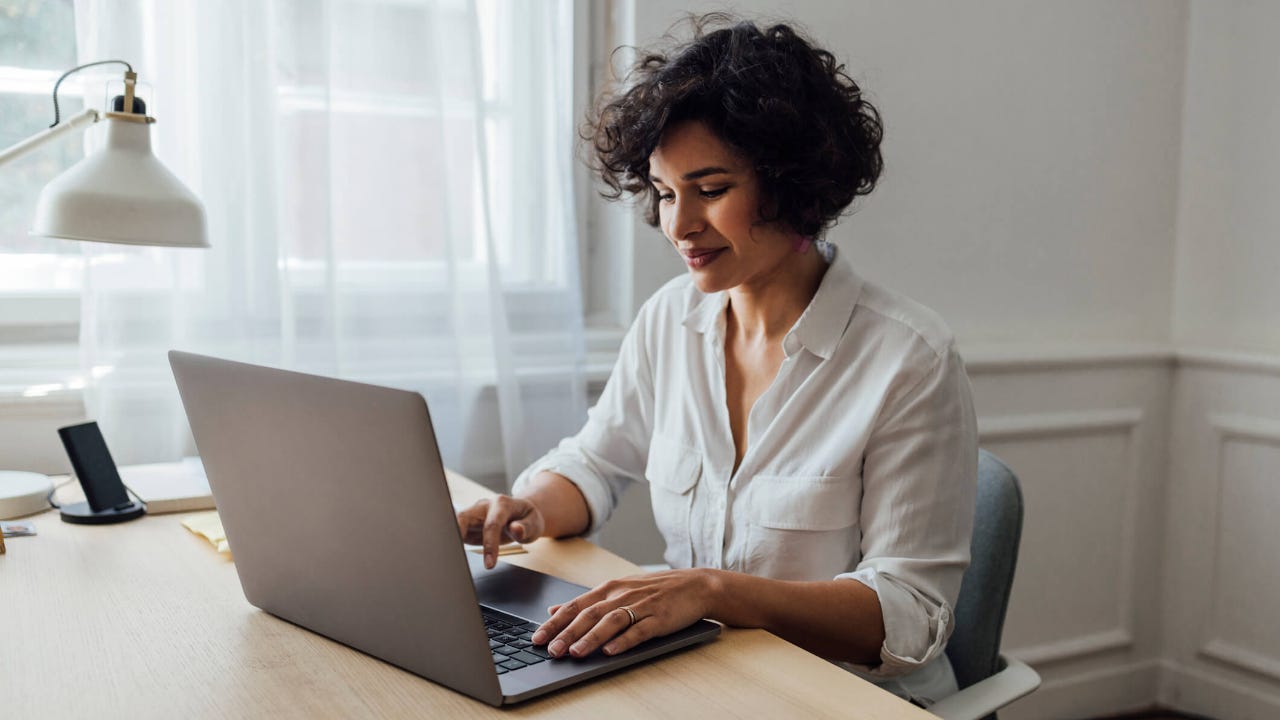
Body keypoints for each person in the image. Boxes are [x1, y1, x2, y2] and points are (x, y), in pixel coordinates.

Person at [455, 14, 977, 707]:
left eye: (710, 189)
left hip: (846, 698)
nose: (678, 225)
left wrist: (713, 591)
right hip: (711, 679)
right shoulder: (671, 318)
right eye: (666, 193)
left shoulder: (908, 359)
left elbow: (911, 614)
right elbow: (598, 461)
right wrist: (527, 508)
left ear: (793, 185)